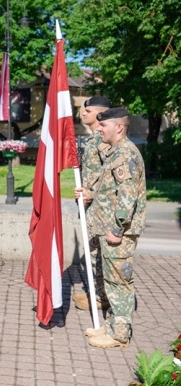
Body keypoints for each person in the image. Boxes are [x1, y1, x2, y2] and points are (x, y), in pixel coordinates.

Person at [76, 108, 146, 348]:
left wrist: (117, 230)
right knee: (112, 280)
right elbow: (112, 191)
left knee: (119, 282)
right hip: (110, 229)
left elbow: (128, 197)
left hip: (118, 233)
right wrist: (91, 193)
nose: (99, 128)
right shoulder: (116, 153)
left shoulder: (125, 154)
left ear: (119, 127)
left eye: (103, 125)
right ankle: (113, 326)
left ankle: (119, 335)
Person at [72, 95, 112, 312]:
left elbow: (111, 176)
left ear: (98, 113)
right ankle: (98, 295)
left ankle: (102, 297)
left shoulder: (104, 140)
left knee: (99, 254)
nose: (82, 114)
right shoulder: (93, 139)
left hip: (101, 207)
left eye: (86, 111)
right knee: (94, 252)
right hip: (91, 205)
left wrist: (93, 193)